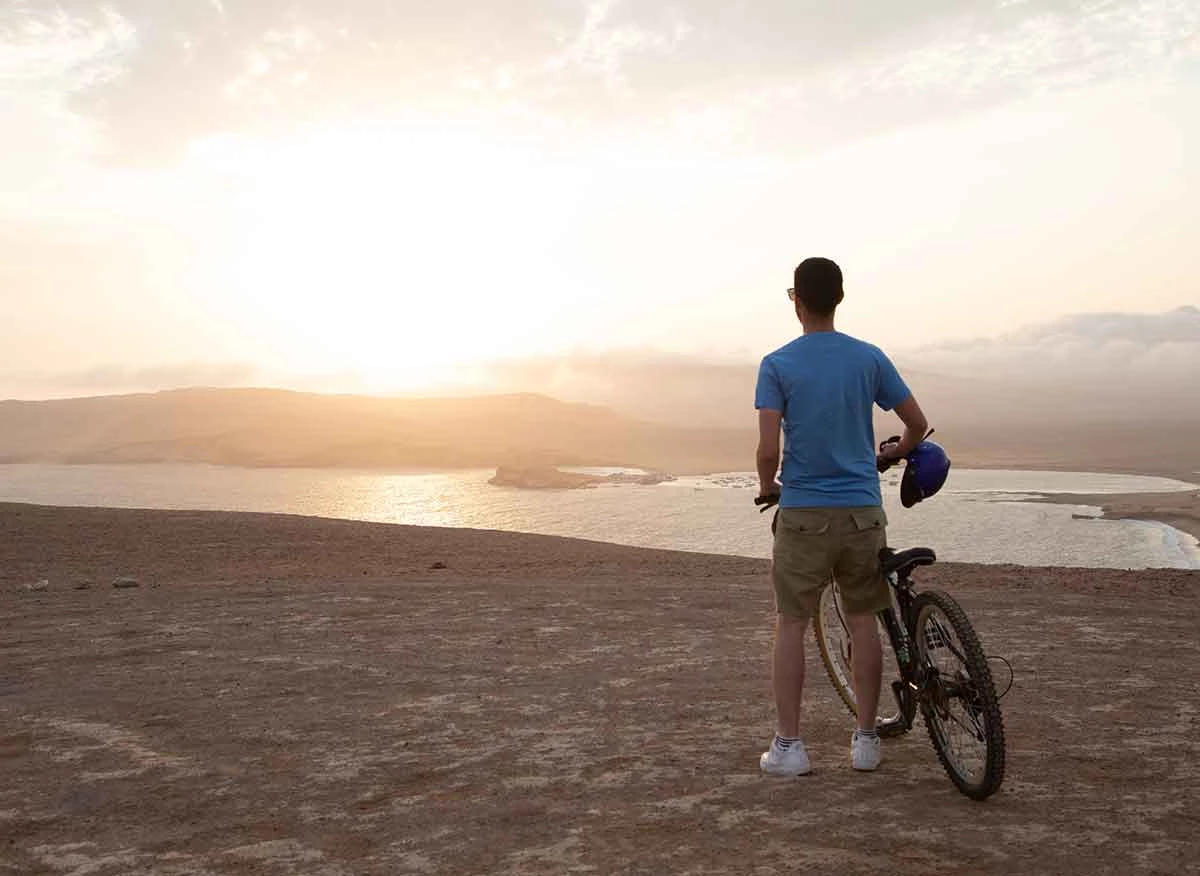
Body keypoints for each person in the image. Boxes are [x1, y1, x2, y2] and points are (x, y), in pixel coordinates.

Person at [754, 256, 928, 776]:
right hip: (860, 511)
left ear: (795, 299)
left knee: (790, 624)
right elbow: (916, 424)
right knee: (863, 620)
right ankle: (867, 740)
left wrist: (769, 488)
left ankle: (790, 747)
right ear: (841, 298)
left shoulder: (778, 364)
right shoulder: (868, 358)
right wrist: (894, 454)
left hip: (804, 511)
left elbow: (767, 450)